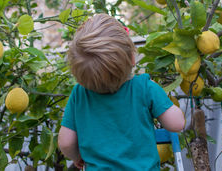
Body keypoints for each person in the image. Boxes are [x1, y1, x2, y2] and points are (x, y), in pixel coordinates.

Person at [58, 14, 185, 170]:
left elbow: (66, 142)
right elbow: (177, 124)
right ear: (132, 59)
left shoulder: (79, 94)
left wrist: (77, 156)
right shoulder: (145, 88)